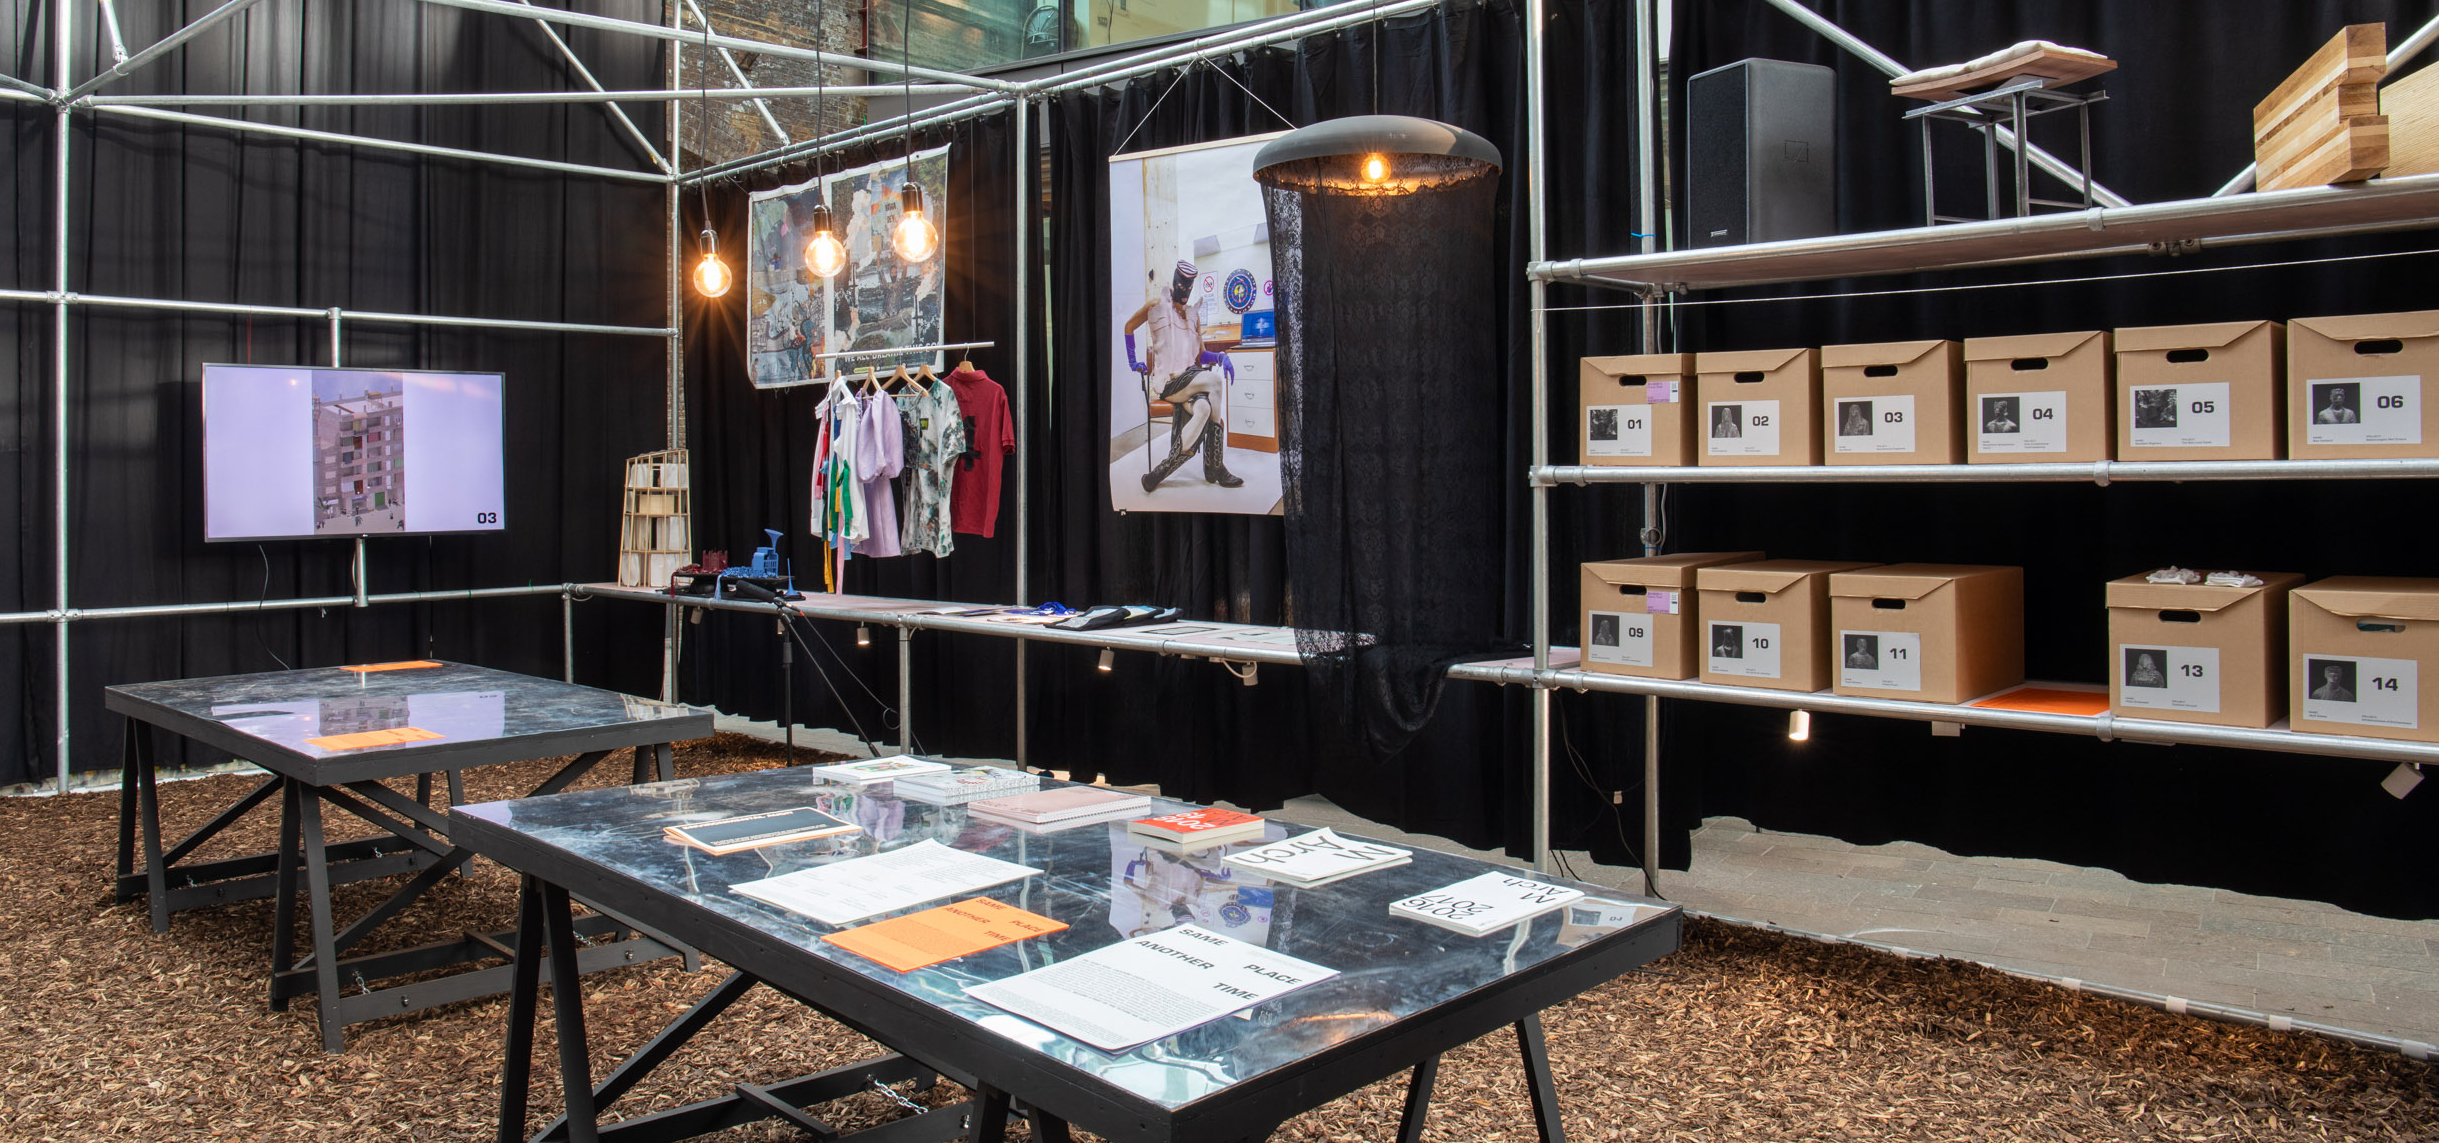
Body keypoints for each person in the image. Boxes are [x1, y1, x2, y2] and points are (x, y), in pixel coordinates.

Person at [1124, 261, 1242, 492]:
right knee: (1216, 381)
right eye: (1181, 284)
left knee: (1205, 409)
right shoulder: (1156, 305)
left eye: (1189, 287)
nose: (1185, 290)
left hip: (1189, 381)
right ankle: (1216, 467)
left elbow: (1201, 355)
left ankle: (1159, 472)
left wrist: (1219, 357)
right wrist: (1132, 361)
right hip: (1168, 383)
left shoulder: (1192, 317)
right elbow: (1129, 326)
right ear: (1175, 280)